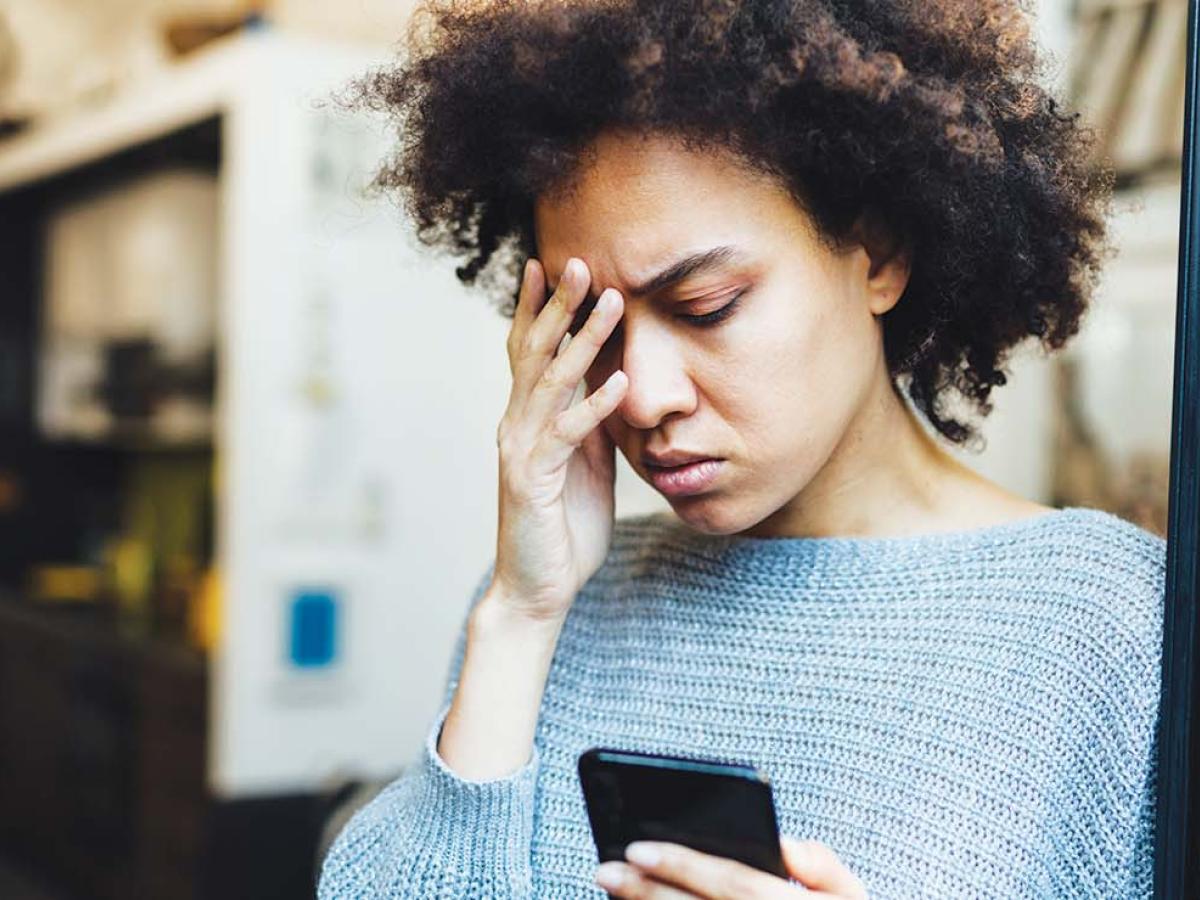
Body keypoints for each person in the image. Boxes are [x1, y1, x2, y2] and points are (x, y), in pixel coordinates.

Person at [318, 1, 1166, 896]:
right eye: (593, 332)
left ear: (877, 255)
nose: (642, 396)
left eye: (707, 306)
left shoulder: (1107, 623)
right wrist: (520, 617)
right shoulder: (552, 611)